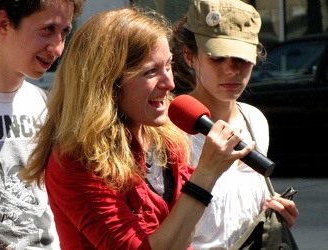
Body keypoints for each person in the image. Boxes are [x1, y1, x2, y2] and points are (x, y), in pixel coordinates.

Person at [20, 6, 257, 249]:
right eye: (151, 71)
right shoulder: (76, 161)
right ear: (107, 83)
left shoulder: (167, 138)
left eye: (168, 65)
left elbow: (186, 233)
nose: (169, 83)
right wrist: (205, 173)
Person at [170, 0, 299, 249]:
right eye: (217, 57)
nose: (232, 69)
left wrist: (273, 217)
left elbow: (237, 213)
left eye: (242, 57)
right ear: (190, 56)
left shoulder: (255, 120)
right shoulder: (169, 129)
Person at [0, 0, 85, 249]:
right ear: (4, 23)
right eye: (48, 29)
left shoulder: (45, 104)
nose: (57, 48)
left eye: (65, 32)